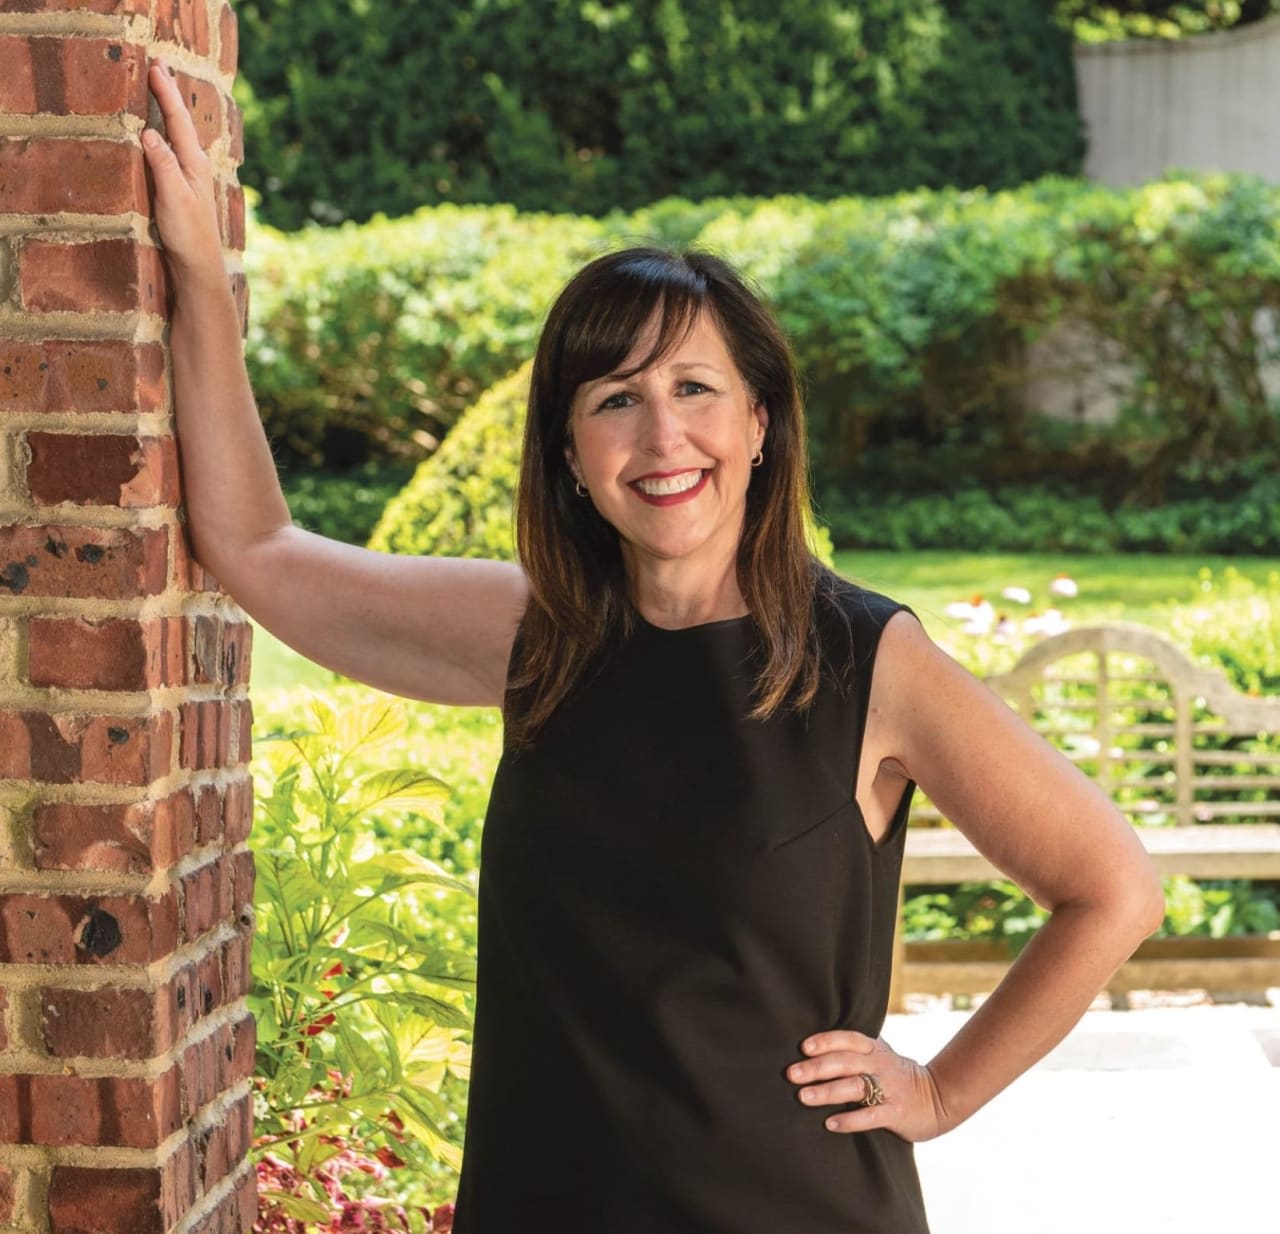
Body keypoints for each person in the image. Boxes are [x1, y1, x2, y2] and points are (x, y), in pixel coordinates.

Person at [143, 60, 1165, 1233]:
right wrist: (198, 287)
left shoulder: (867, 660)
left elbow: (1110, 889)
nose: (662, 434)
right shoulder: (534, 636)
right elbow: (256, 547)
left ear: (761, 423)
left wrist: (938, 1090)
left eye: (695, 387)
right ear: (570, 452)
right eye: (615, 398)